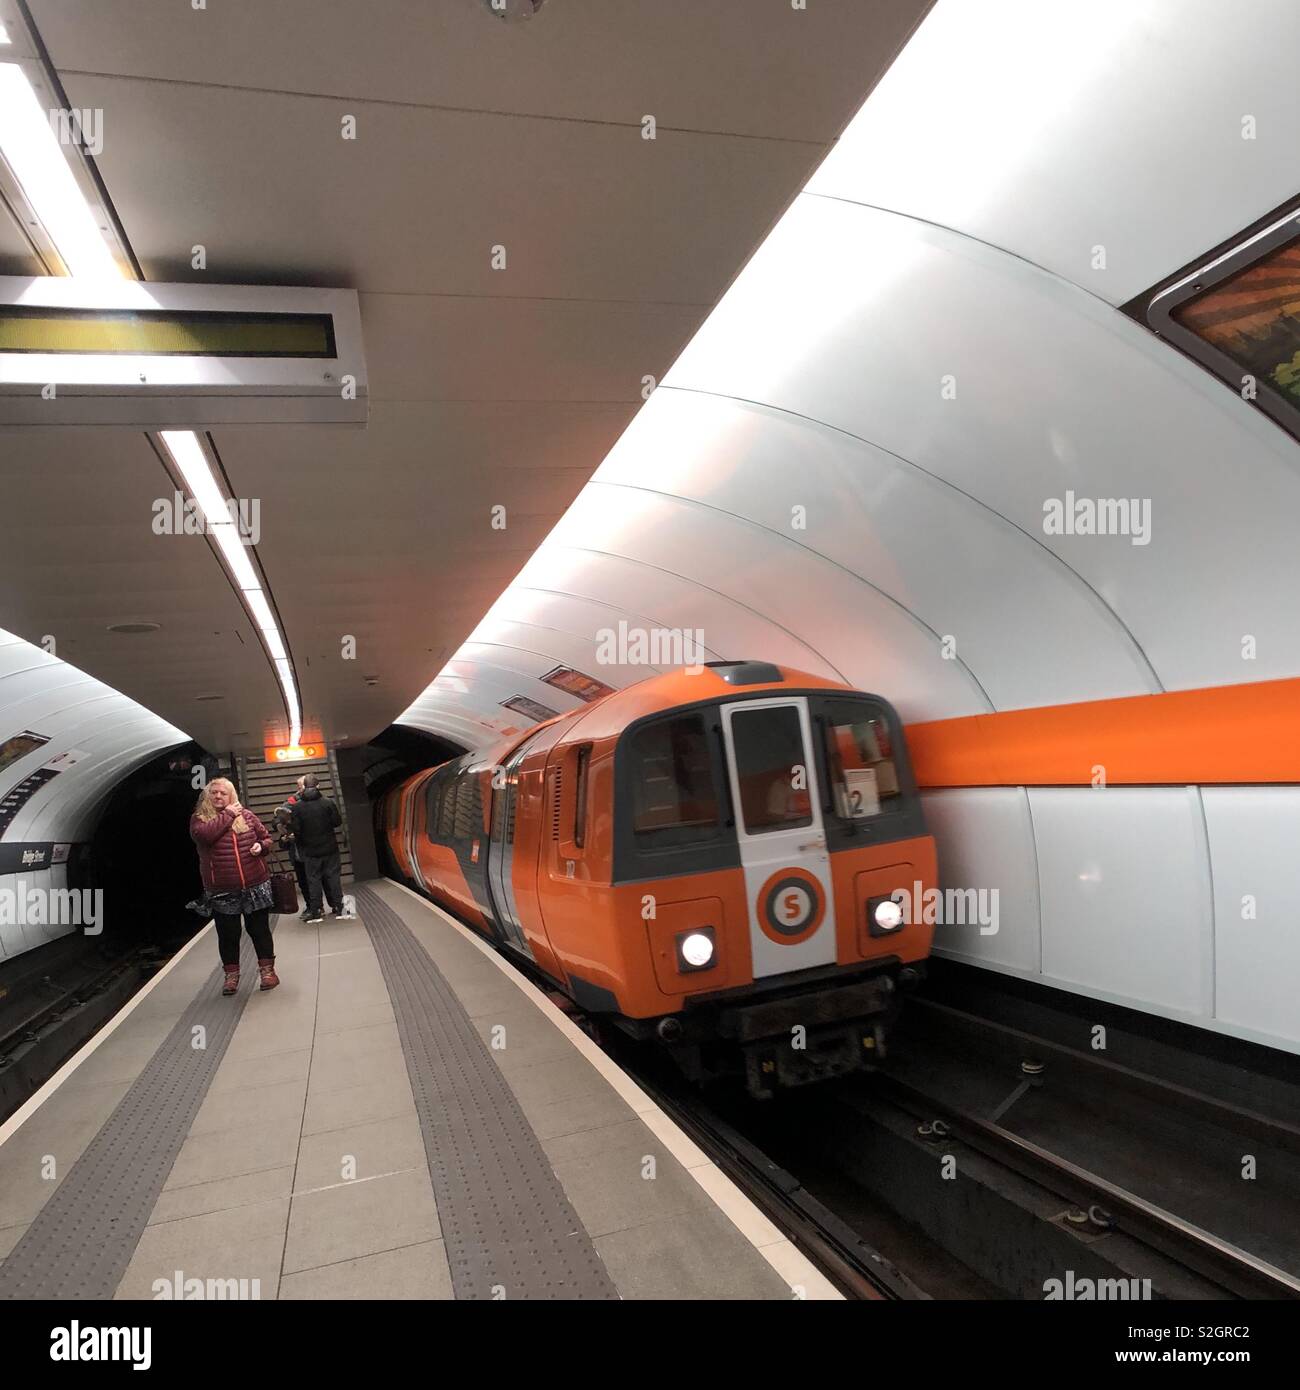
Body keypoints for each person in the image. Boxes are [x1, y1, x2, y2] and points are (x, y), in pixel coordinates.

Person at [188, 777, 280, 995]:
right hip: (222, 890)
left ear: (232, 796)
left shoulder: (246, 816)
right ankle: (231, 976)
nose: (219, 796)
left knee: (259, 931)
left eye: (224, 793)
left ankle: (267, 972)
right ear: (207, 797)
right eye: (214, 793)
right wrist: (228, 814)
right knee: (228, 935)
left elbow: (266, 838)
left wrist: (261, 846)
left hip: (255, 884)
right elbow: (206, 837)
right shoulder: (199, 820)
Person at [291, 773, 350, 924]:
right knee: (333, 878)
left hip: (310, 851)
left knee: (313, 880)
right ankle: (340, 907)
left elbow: (296, 830)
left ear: (304, 787)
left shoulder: (297, 807)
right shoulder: (328, 802)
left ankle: (316, 911)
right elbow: (337, 822)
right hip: (329, 848)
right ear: (318, 786)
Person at [275, 775, 311, 919]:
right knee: (303, 882)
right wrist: (284, 828)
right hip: (297, 853)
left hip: (311, 850)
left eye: (303, 786)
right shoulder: (290, 802)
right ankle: (311, 906)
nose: (301, 789)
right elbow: (277, 818)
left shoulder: (317, 802)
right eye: (299, 786)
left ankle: (322, 906)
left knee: (316, 881)